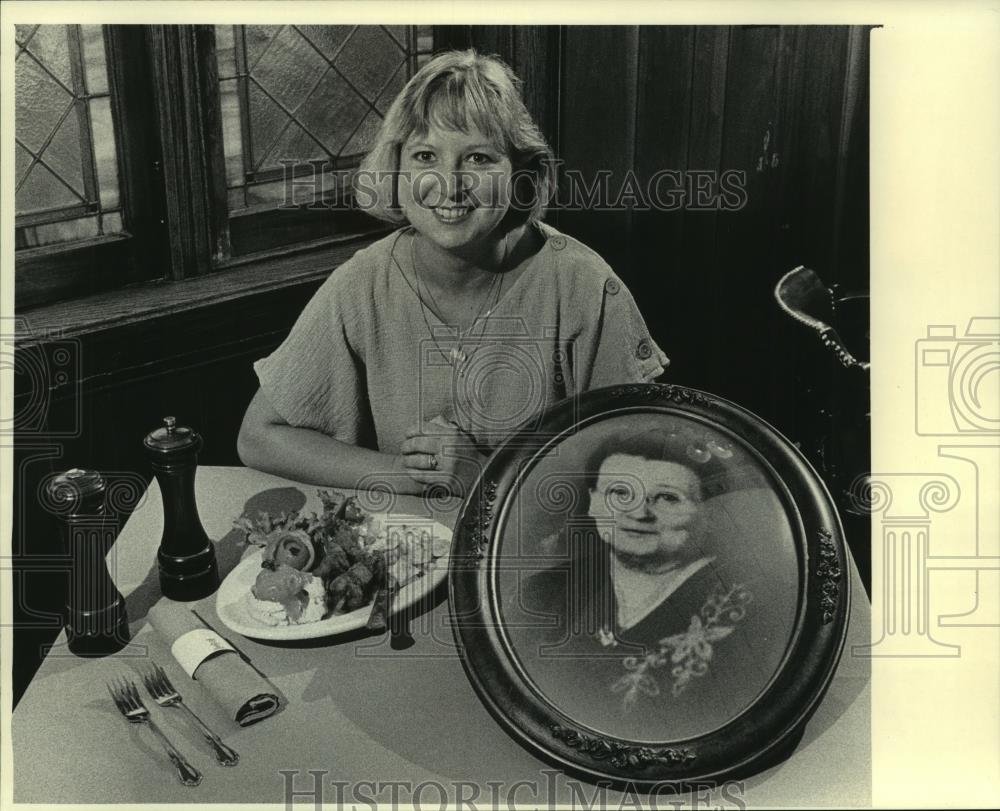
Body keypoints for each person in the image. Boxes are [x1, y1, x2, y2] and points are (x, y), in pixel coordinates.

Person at [237, 49, 667, 496]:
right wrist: (412, 476)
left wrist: (482, 477)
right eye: (425, 155)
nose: (449, 183)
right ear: (397, 168)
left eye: (479, 159)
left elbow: (636, 469)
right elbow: (259, 436)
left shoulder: (585, 285)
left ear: (523, 173)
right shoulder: (362, 282)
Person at [513, 426, 793, 740]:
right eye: (620, 493)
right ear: (593, 503)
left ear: (712, 512)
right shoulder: (542, 592)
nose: (638, 513)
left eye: (667, 498)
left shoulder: (757, 612)